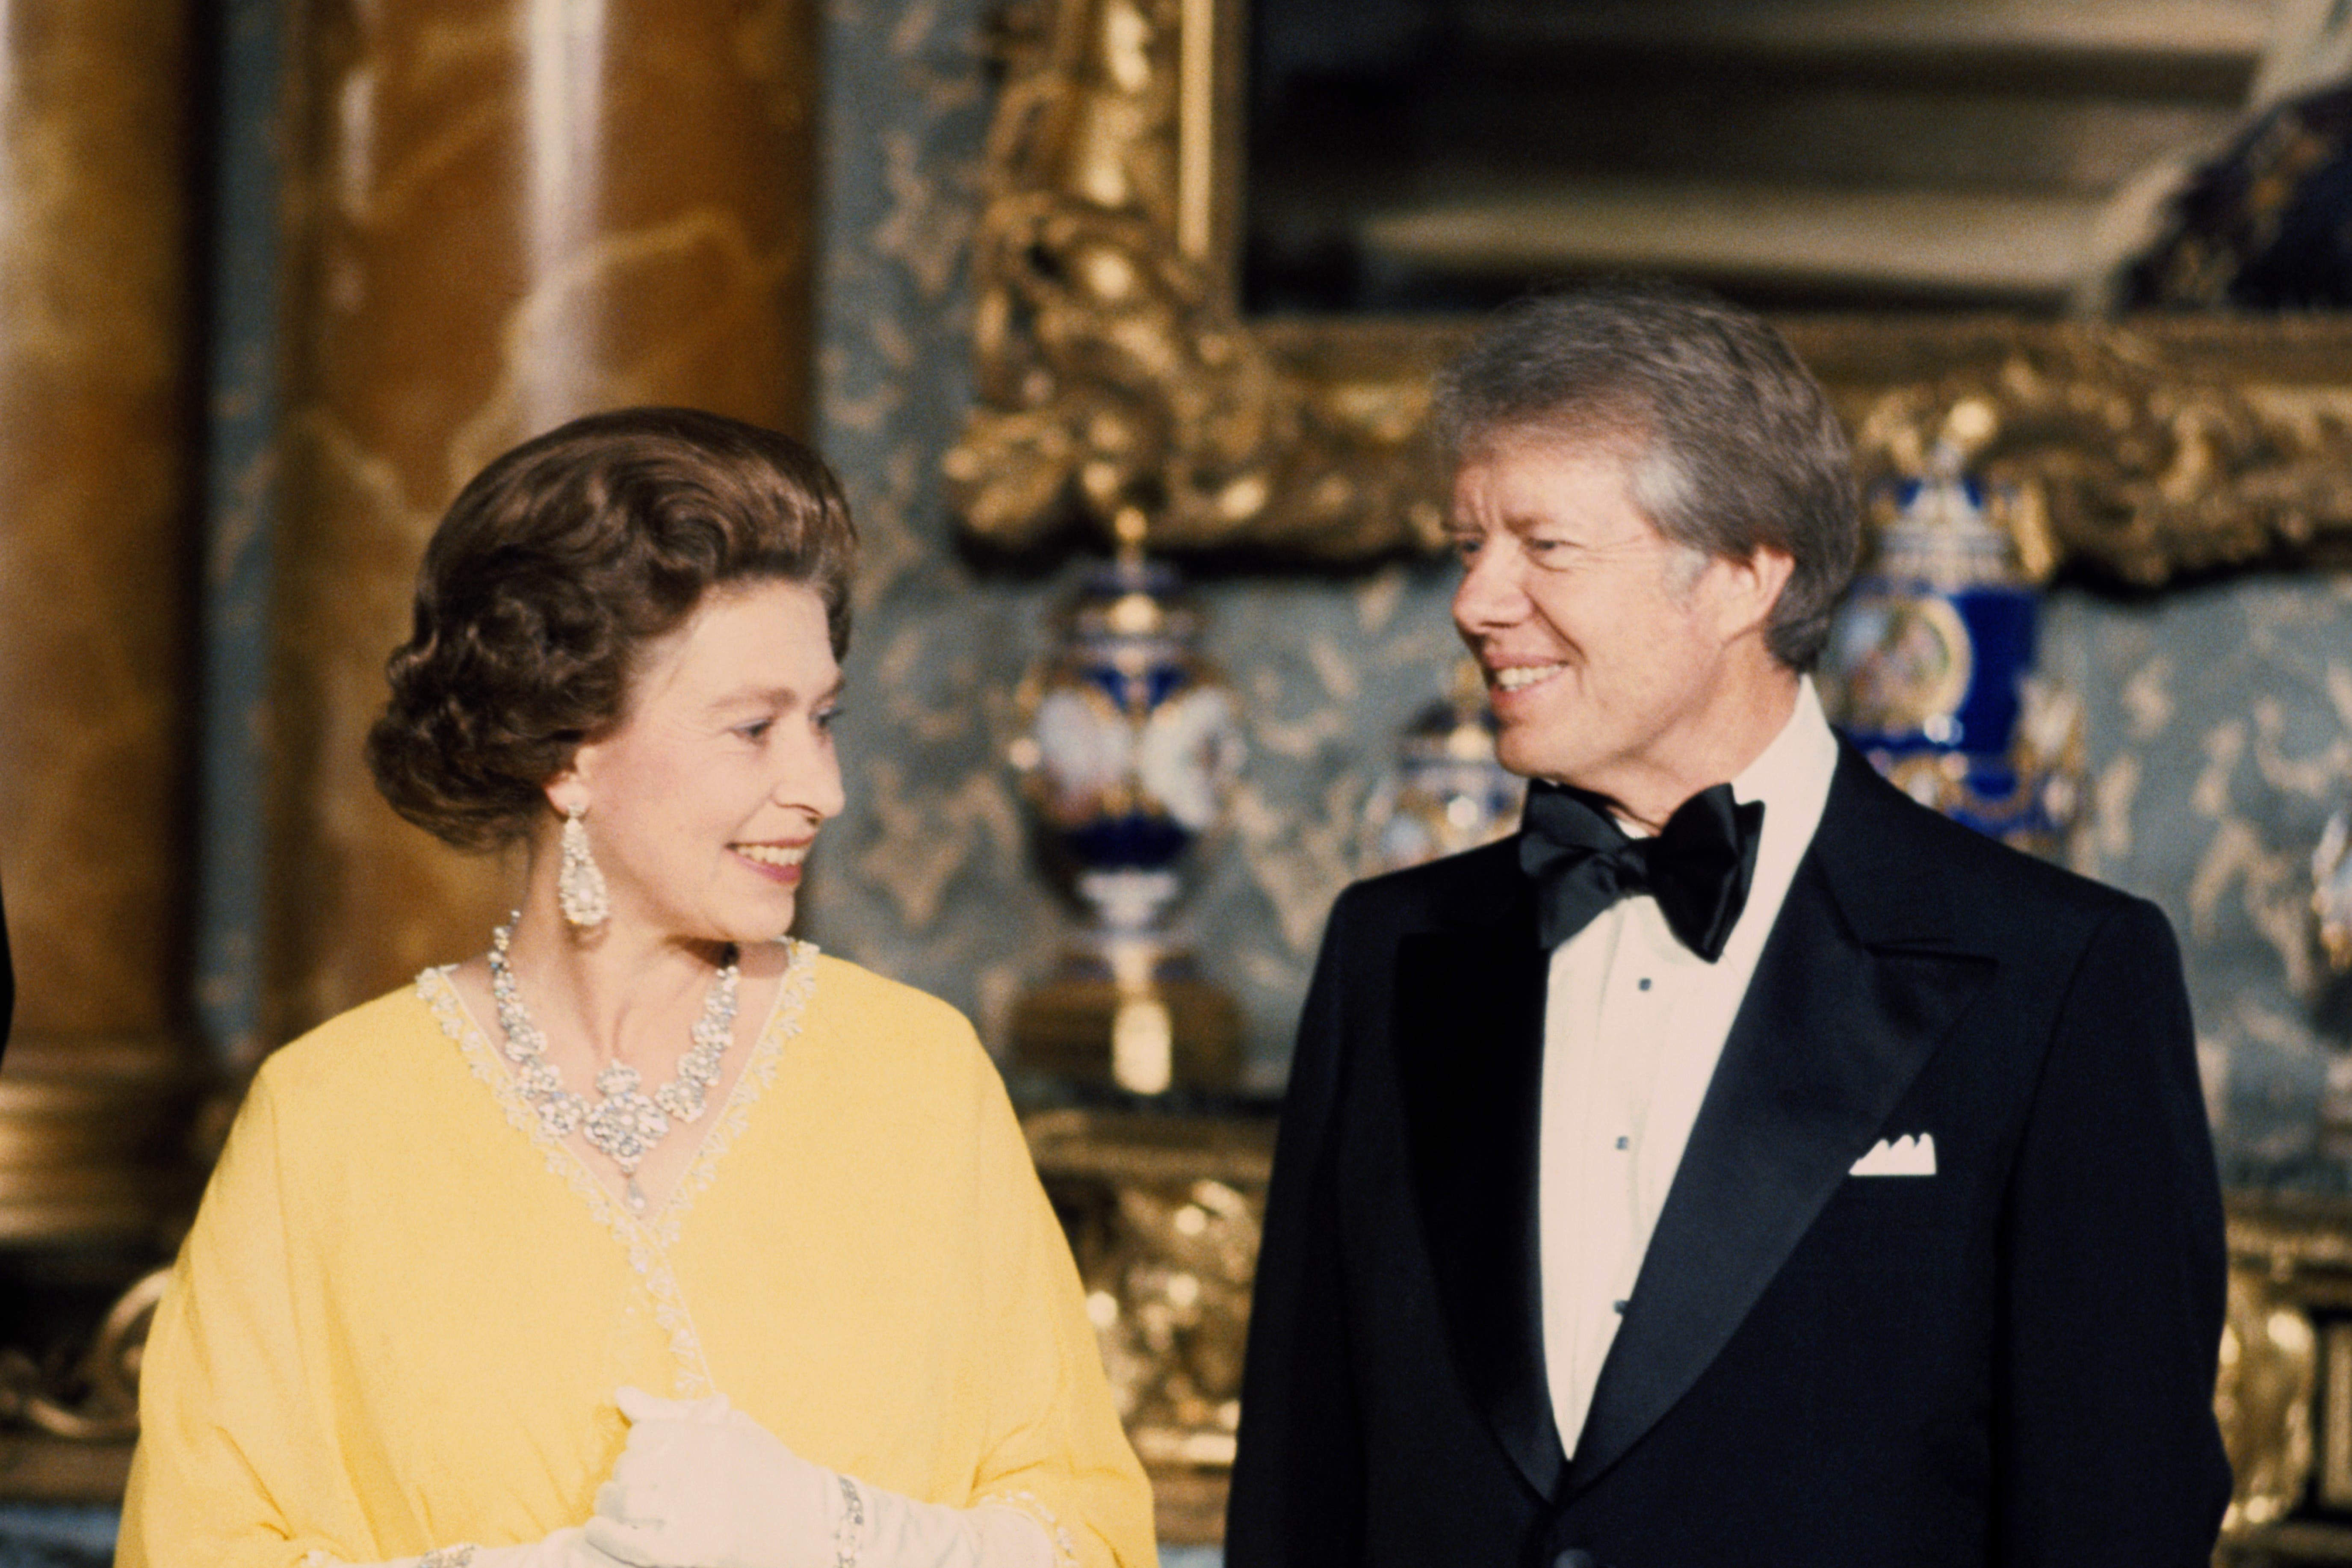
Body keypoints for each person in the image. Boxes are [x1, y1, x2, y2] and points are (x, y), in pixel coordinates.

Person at [1225, 283, 2230, 1568]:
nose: (1476, 599)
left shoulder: (2057, 976)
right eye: (1467, 542)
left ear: (1746, 573)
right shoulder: (1388, 950)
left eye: (1542, 546)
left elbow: (2113, 1524)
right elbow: (1300, 1493)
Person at [118, 408, 1157, 1568]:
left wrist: (839, 1534)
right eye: (752, 727)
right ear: (569, 751)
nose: (822, 787)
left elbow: (1092, 1537)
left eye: (822, 720)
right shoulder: (326, 1121)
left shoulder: (917, 1075)